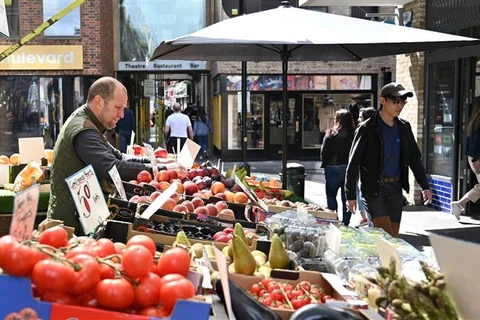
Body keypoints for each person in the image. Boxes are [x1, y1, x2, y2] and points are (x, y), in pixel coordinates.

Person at [47, 77, 165, 233]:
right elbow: (113, 167)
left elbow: (118, 156)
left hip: (81, 217)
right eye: (117, 107)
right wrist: (158, 171)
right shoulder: (84, 131)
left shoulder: (88, 122)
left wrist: (156, 164)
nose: (122, 114)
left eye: (123, 108)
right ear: (99, 102)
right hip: (70, 224)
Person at [345, 82, 432, 238]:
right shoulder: (367, 128)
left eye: (403, 101)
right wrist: (350, 195)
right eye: (395, 101)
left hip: (396, 188)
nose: (400, 106)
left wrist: (424, 185)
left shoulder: (404, 127)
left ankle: (380, 261)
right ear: (382, 100)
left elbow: (414, 158)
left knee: (393, 236)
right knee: (384, 234)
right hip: (374, 189)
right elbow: (353, 163)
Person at [321, 109, 355, 226]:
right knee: (347, 197)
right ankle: (346, 223)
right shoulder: (354, 134)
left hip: (333, 167)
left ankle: (333, 219)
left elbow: (324, 151)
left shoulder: (331, 133)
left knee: (331, 195)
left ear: (338, 120)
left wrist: (324, 164)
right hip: (349, 168)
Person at [451, 102, 480, 220]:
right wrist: (478, 159)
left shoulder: (473, 121)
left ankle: (459, 204)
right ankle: (459, 204)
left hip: (474, 157)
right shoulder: (478, 123)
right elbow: (476, 144)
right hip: (477, 158)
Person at [356, 107, 376, 225]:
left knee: (363, 194)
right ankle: (366, 218)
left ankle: (368, 219)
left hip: (369, 172)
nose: (358, 119)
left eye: (360, 116)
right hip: (364, 170)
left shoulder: (363, 131)